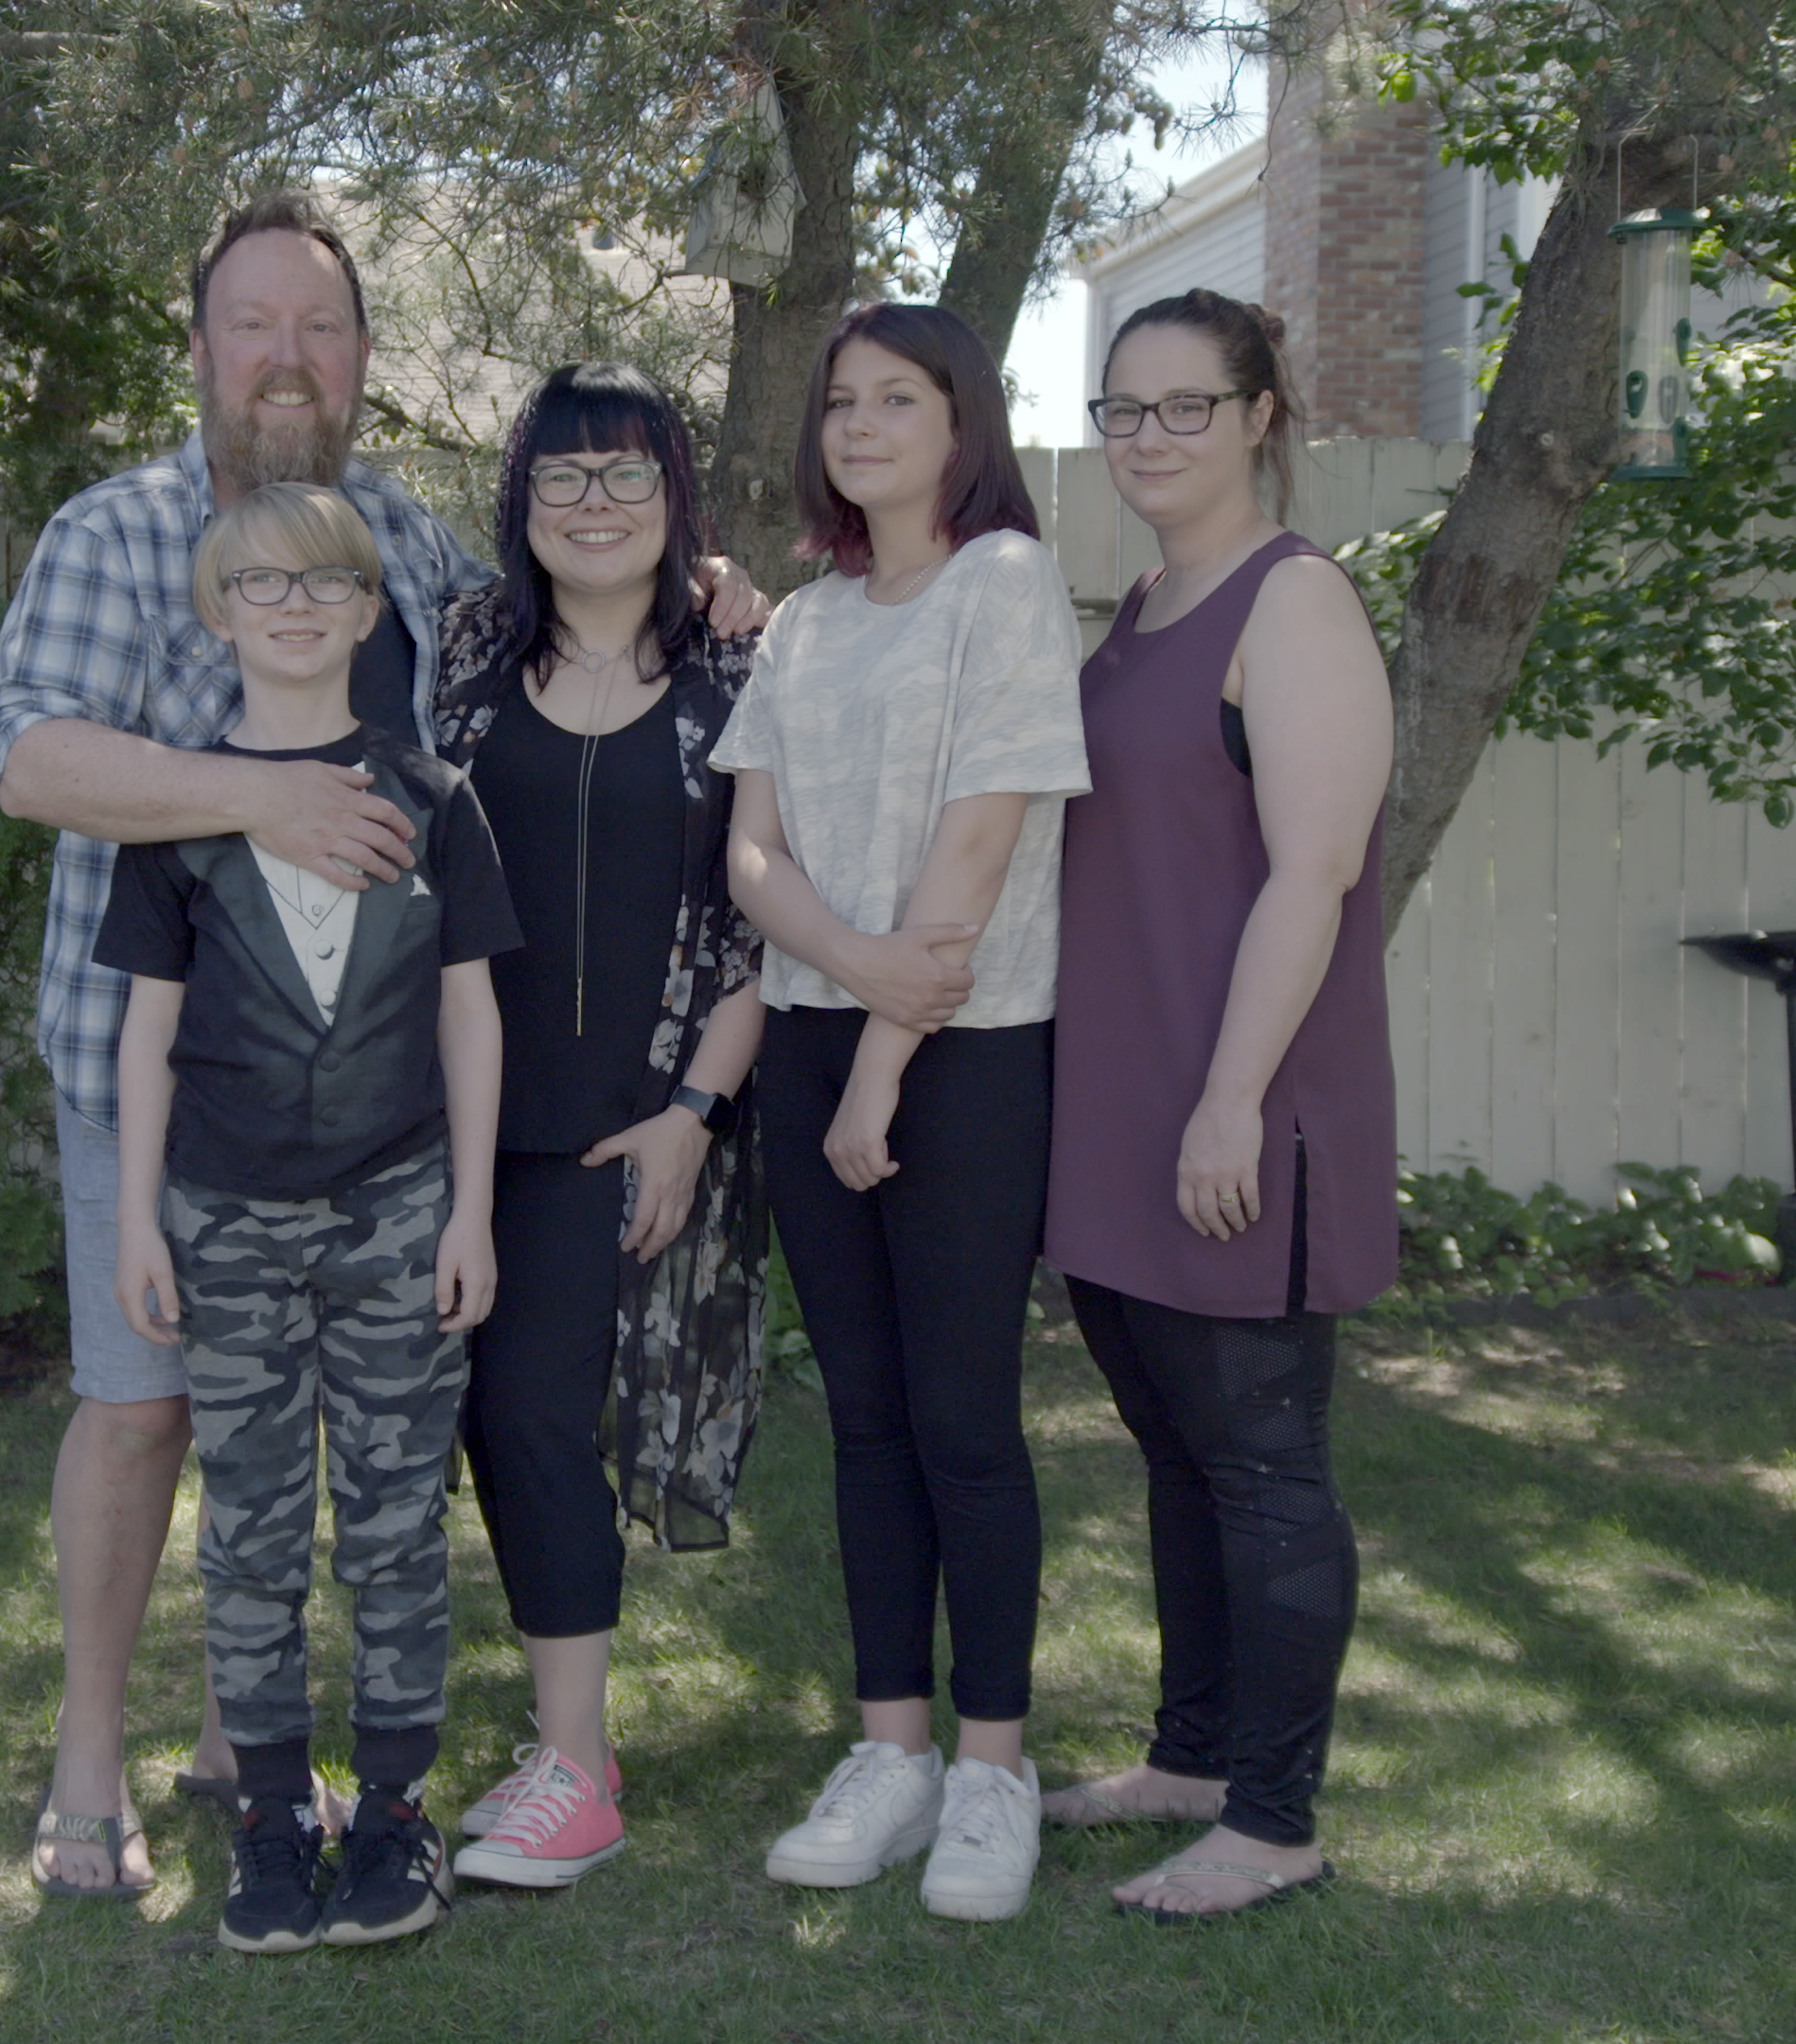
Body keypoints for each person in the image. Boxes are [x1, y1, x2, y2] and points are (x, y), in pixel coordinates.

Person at [0, 190, 759, 1898]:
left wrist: (705, 593)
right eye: (252, 324)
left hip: (389, 1103)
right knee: (144, 1409)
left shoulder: (406, 546)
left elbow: (561, 644)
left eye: (319, 329)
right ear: (198, 351)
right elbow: (32, 761)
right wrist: (264, 799)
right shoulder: (115, 535)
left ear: (362, 362)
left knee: (351, 1431)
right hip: (163, 1068)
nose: (285, 359)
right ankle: (89, 1761)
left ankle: (251, 1738)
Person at [95, 482, 521, 1951]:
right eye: (256, 587)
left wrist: (468, 1208)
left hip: (400, 1210)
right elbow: (145, 1033)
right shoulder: (180, 813)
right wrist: (142, 1223)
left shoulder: (433, 795)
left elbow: (472, 1015)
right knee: (256, 1532)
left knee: (398, 1523)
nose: (289, 607)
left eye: (320, 584)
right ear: (220, 613)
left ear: (364, 610)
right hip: (223, 1217)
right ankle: (274, 1816)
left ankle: (397, 1812)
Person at [713, 304, 1090, 1922]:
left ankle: (992, 1769)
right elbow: (751, 855)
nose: (861, 425)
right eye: (841, 402)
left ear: (961, 423)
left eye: (899, 399)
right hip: (811, 1041)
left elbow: (981, 837)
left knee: (963, 1420)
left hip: (966, 1054)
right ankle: (892, 1753)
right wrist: (852, 992)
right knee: (864, 1421)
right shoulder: (802, 623)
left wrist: (882, 1050)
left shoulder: (1004, 582)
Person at [1037, 290, 1395, 1920]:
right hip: (1122, 1105)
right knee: (1177, 1454)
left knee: (1260, 1466)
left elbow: (1312, 871)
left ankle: (1274, 1815)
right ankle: (1189, 1755)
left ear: (1261, 414)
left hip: (1235, 1108)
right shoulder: (1140, 610)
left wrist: (1231, 1100)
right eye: (1126, 410)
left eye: (1188, 407)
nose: (1151, 439)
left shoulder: (1295, 602)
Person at [428, 363, 771, 1891]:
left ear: (676, 501)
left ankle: (577, 1765)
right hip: (444, 1112)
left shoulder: (744, 678)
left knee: (534, 1415)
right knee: (425, 1422)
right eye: (560, 477)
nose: (592, 504)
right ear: (520, 505)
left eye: (627, 475)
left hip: (622, 1124)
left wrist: (696, 1109)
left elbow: (776, 929)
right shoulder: (461, 655)